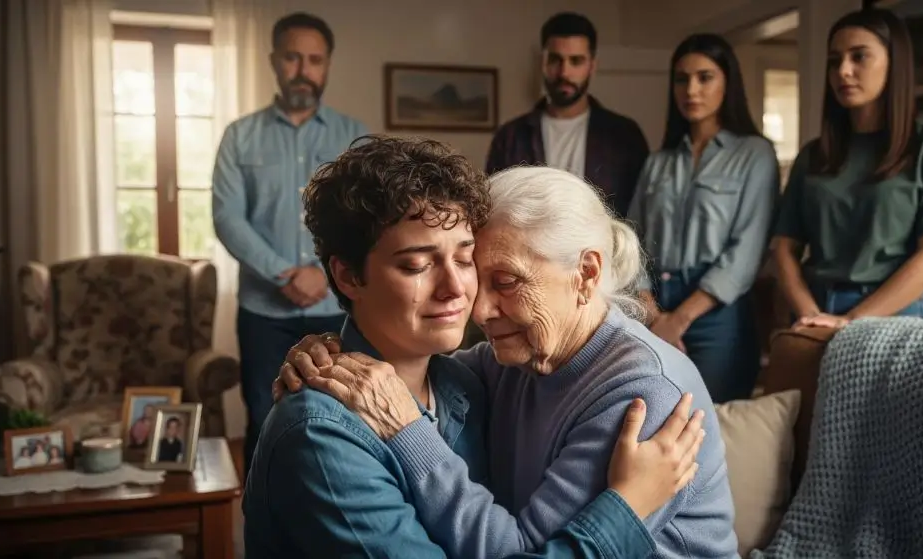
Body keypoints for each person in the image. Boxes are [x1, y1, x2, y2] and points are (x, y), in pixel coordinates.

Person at [244, 136, 705, 559]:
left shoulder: (465, 382)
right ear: (348, 276)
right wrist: (625, 510)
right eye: (417, 265)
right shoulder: (321, 437)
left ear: (585, 274)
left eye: (465, 260)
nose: (464, 296)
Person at [211, 11, 368, 475]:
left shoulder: (353, 136)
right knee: (264, 419)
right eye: (293, 57)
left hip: (338, 307)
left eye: (314, 60)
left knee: (340, 419)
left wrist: (323, 275)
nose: (303, 69)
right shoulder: (239, 137)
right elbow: (227, 218)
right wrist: (284, 273)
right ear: (274, 61)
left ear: (327, 66)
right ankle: (264, 524)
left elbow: (365, 218)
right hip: (264, 313)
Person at [771, 8, 923, 328]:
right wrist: (810, 315)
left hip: (897, 316)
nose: (843, 70)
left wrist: (851, 320)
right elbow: (784, 250)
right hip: (814, 311)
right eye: (834, 60)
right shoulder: (814, 155)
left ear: (894, 64)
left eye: (859, 57)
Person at [628, 33, 779, 403]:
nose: (691, 89)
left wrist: (679, 319)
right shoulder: (659, 161)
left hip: (717, 313)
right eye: (682, 79)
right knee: (655, 414)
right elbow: (629, 238)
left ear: (728, 82)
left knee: (713, 420)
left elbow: (747, 250)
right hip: (654, 303)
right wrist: (651, 311)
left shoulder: (755, 154)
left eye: (705, 77)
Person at [485, 12, 649, 218]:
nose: (564, 73)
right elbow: (492, 209)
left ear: (592, 66)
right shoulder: (511, 138)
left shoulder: (624, 137)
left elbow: (640, 216)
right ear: (543, 63)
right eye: (556, 60)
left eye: (576, 61)